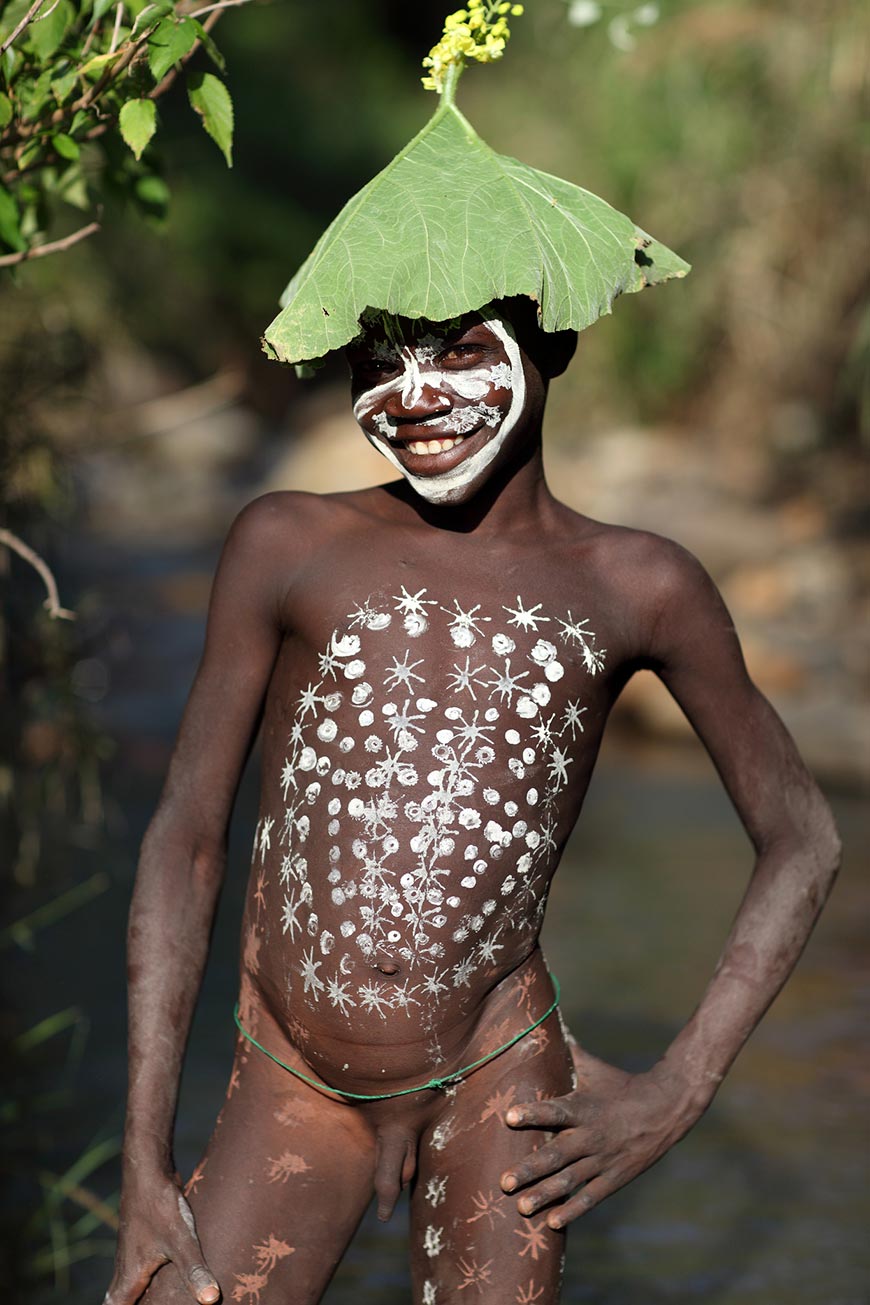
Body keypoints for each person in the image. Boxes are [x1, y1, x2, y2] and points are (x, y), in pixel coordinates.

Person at [105, 11, 841, 1305]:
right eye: (379, 358)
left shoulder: (637, 584)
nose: (417, 391)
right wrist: (139, 1153)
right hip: (290, 1076)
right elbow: (185, 837)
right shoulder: (289, 544)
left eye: (455, 347)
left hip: (496, 1078)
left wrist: (679, 1082)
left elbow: (801, 836)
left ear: (545, 345)